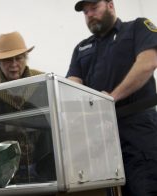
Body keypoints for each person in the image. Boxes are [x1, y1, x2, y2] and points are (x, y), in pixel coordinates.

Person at [66, 1, 157, 195]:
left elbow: (148, 63)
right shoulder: (82, 48)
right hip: (100, 137)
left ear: (110, 5)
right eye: (85, 12)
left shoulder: (137, 28)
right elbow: (71, 86)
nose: (89, 14)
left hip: (138, 130)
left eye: (94, 7)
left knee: (145, 188)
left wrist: (110, 99)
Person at [0, 31, 56, 184]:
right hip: (8, 169)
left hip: (46, 167)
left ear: (25, 58)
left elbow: (55, 121)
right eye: (7, 60)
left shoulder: (45, 82)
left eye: (18, 58)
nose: (14, 64)